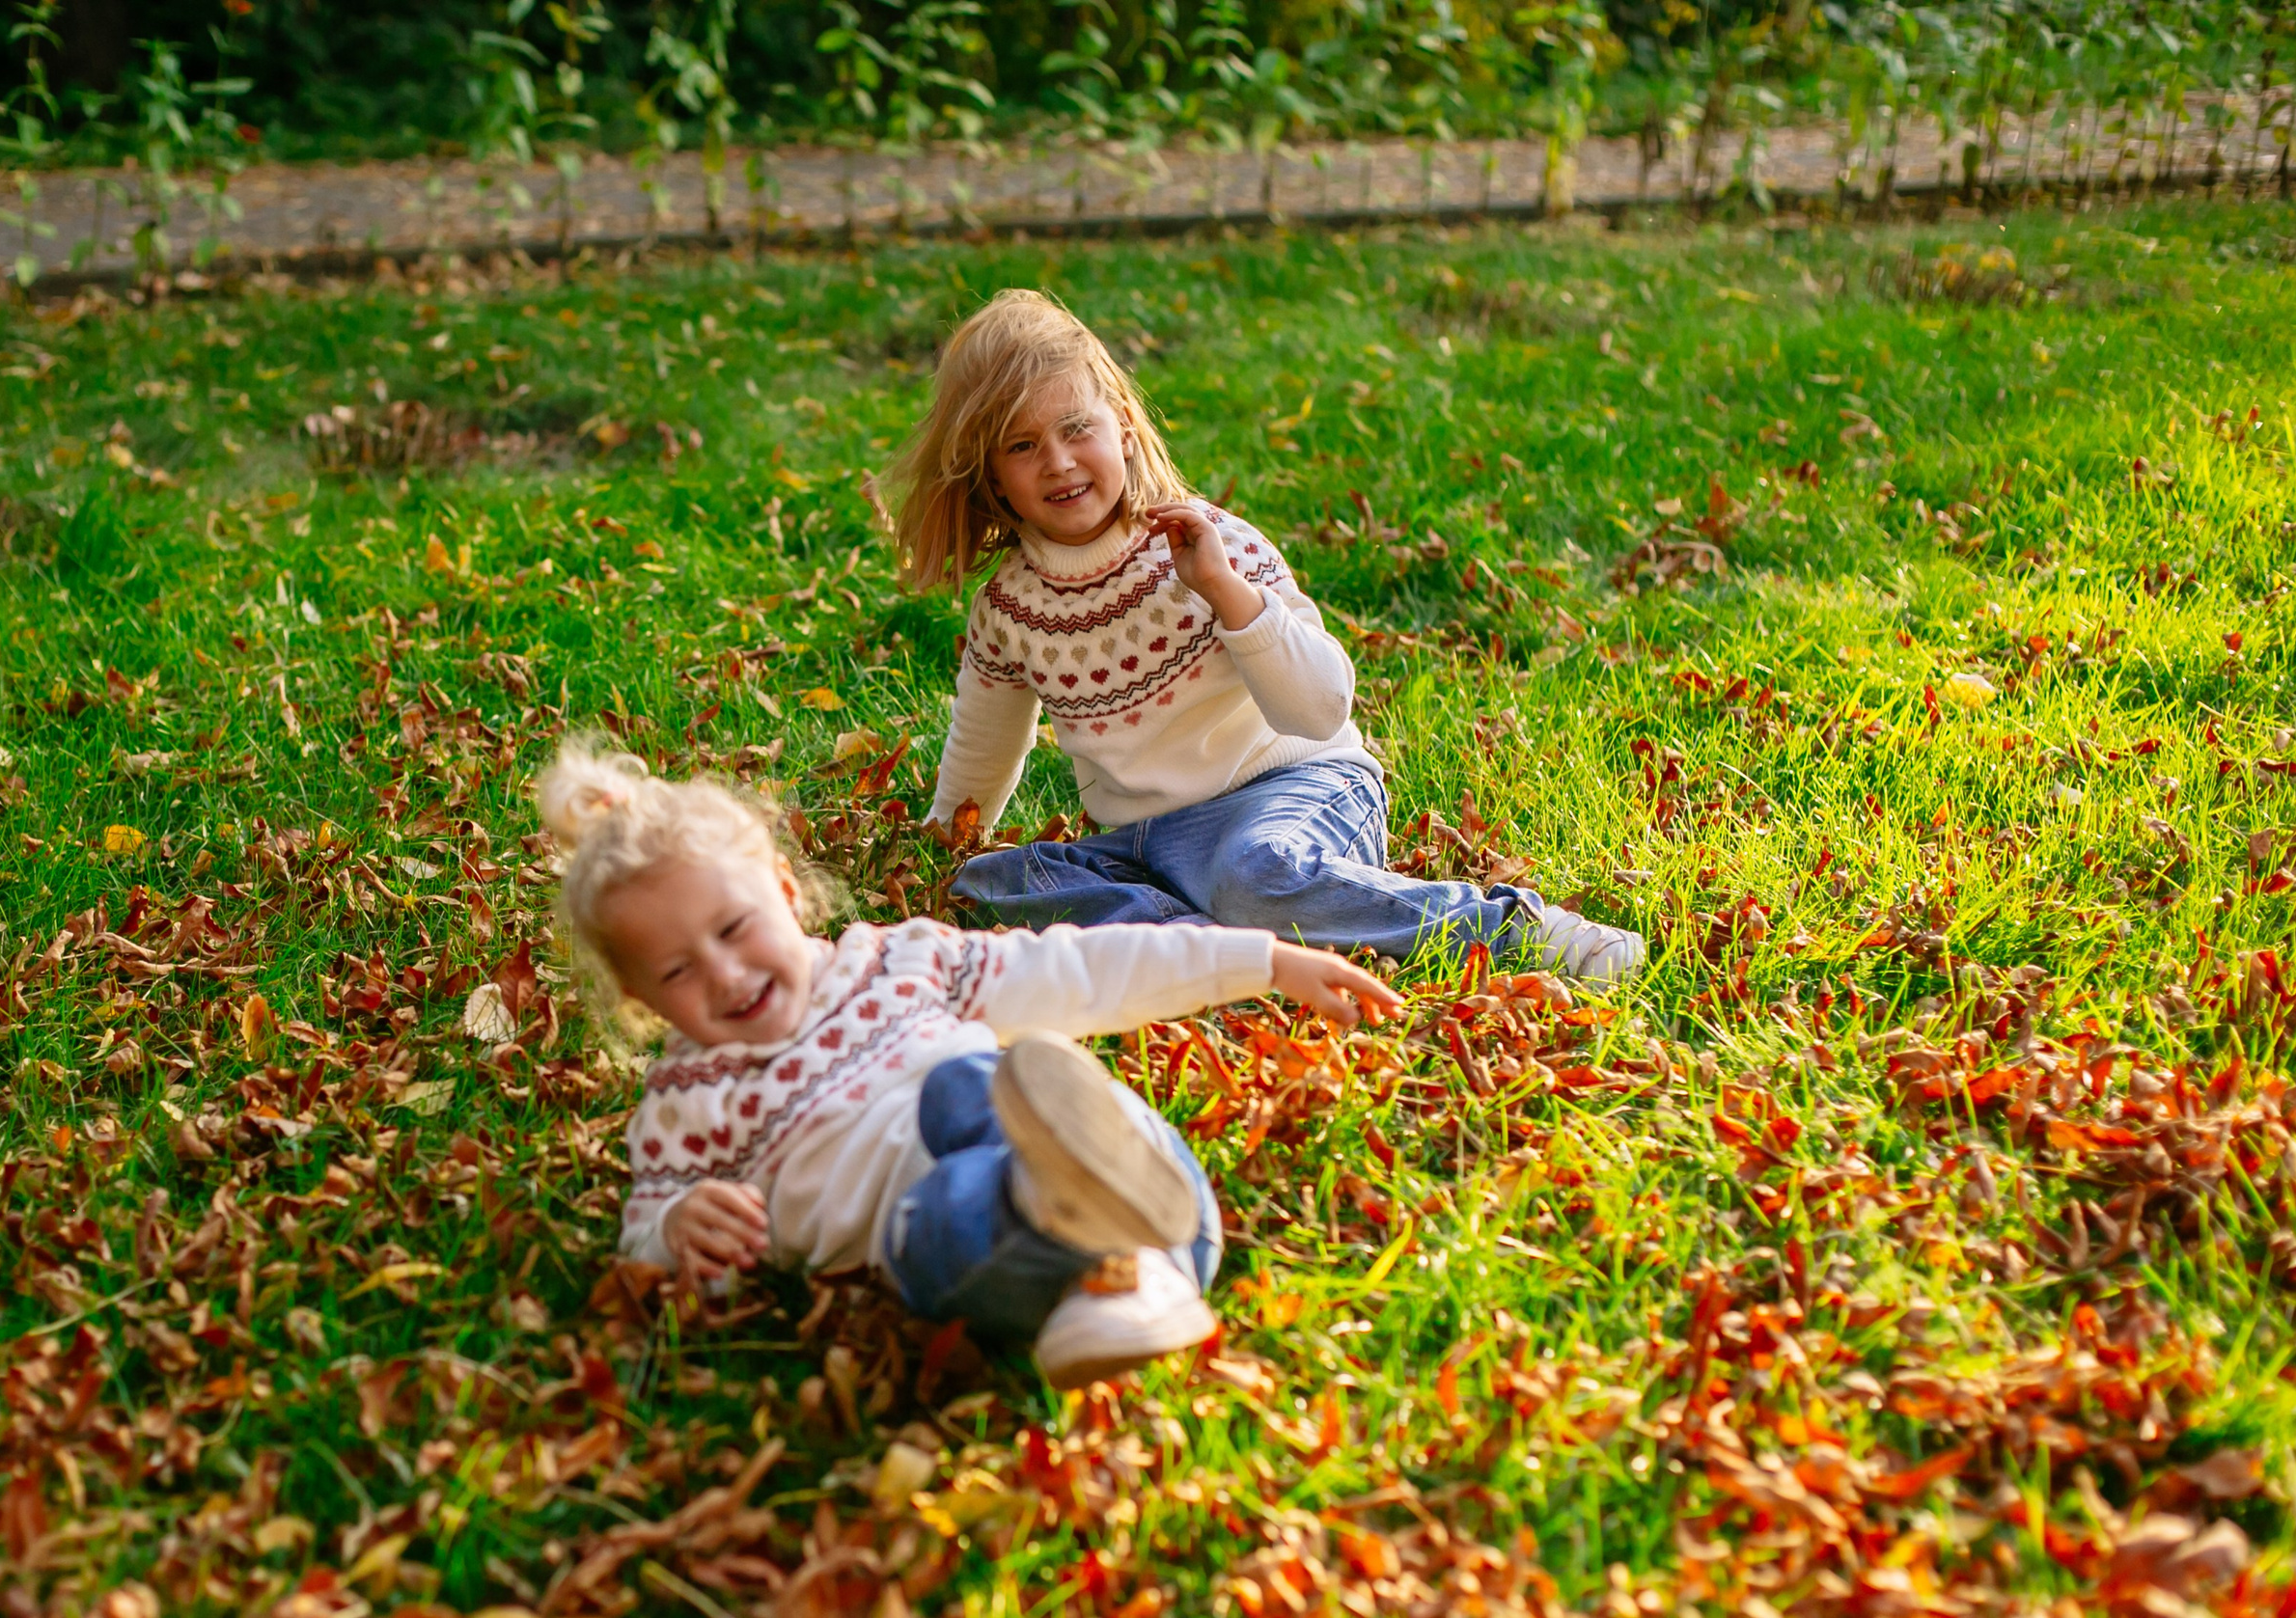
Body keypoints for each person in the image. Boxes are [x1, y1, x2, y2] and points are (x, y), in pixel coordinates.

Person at [536, 739, 1402, 1389]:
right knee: (942, 1189)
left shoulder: (899, 963)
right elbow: (645, 1229)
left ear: (785, 889)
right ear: (642, 996)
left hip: (1166, 1208)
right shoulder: (687, 1102)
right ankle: (1099, 1267)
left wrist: (1262, 959)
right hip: (961, 1254)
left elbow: (1079, 970)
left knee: (977, 1086)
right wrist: (678, 1227)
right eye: (677, 972)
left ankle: (1120, 1247)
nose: (725, 974)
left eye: (733, 928)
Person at [883, 288, 1646, 984]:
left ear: (1122, 425)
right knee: (993, 882)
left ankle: (1516, 930)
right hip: (1147, 846)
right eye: (1021, 446)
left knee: (1254, 873)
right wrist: (945, 838)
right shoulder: (1011, 609)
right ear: (992, 475)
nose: (1058, 461)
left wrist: (1226, 592)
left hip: (1295, 793)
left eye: (1076, 428)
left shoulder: (1211, 547)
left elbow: (1321, 708)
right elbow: (984, 743)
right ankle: (1207, 945)